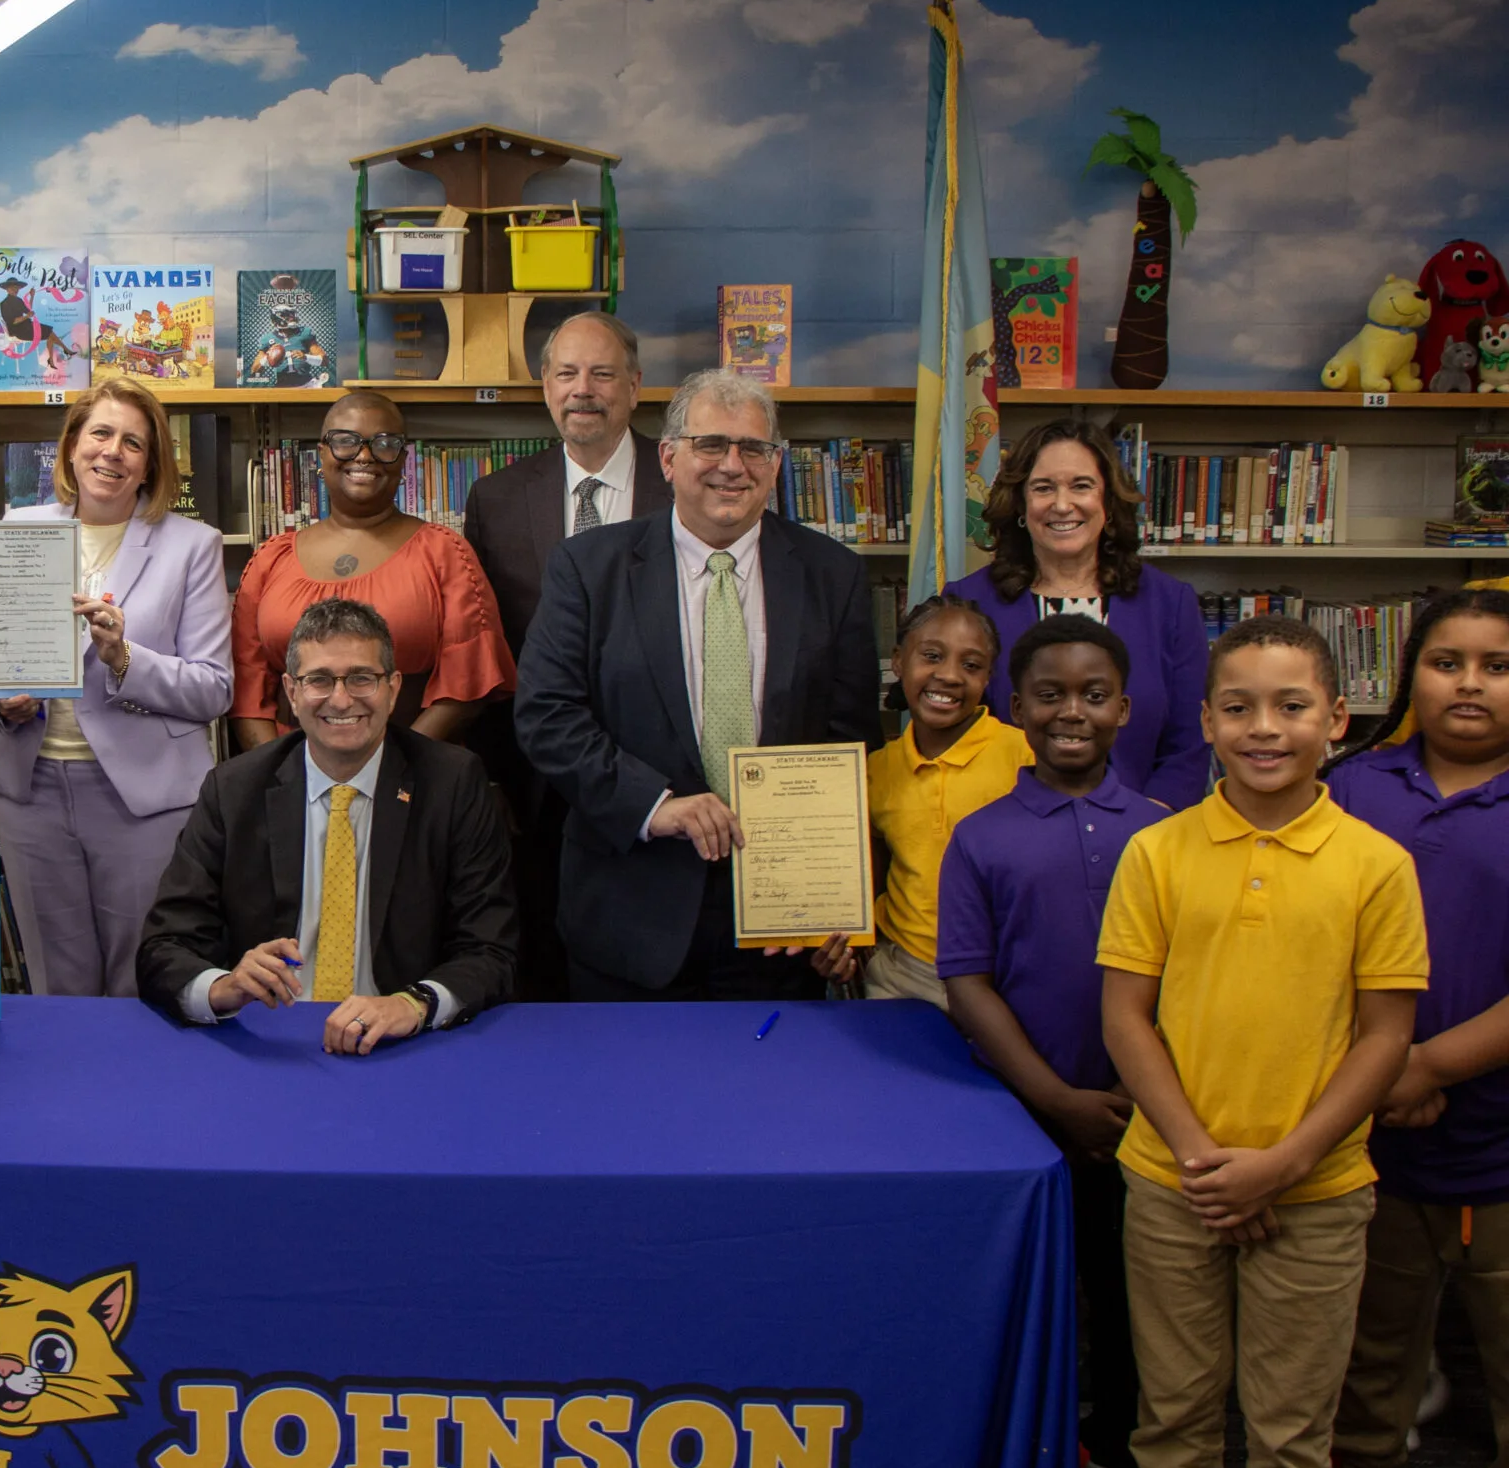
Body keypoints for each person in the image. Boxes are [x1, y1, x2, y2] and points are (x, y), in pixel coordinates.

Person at [1100, 616, 1428, 1468]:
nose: (1265, 728)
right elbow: (1126, 1018)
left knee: (1289, 1436)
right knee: (1173, 1424)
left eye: (1292, 706)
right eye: (1239, 707)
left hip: (1315, 1191)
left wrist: (1281, 1163)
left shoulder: (1378, 864)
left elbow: (1386, 1034)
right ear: (1207, 722)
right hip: (1176, 1184)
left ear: (1337, 720)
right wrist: (1207, 1161)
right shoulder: (1155, 851)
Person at [514, 369, 882, 1000]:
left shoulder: (834, 575)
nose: (731, 466)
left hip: (778, 926)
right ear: (668, 456)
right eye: (711, 445)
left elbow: (853, 741)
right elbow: (547, 716)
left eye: (753, 449)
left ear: (775, 464)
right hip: (628, 914)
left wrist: (840, 897)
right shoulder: (588, 567)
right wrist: (656, 807)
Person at [937, 616, 1168, 1468]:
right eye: (1051, 693)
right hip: (1023, 1113)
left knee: (1128, 1294)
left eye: (1094, 694)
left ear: (1125, 709)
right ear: (1016, 706)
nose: (1073, 710)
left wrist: (1137, 1094)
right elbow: (968, 982)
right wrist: (1056, 1098)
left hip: (1142, 1109)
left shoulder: (1162, 827)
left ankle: (1121, 1441)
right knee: (1029, 1292)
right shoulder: (982, 834)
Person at [138, 599, 517, 1052]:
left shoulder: (452, 783)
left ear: (393, 688)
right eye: (319, 679)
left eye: (361, 677)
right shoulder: (233, 789)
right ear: (291, 692)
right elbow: (164, 945)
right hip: (272, 1036)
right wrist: (224, 987)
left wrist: (414, 1005)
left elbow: (491, 949)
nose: (341, 699)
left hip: (402, 1038)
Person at [0, 379, 232, 996]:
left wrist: (124, 657)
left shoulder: (192, 546)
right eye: (101, 434)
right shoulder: (18, 526)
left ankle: (140, 1094)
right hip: (29, 791)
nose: (113, 452)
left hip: (140, 799)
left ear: (150, 464)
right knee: (57, 980)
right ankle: (68, 1096)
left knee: (140, 972)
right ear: (72, 447)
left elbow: (214, 688)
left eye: (133, 442)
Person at [1328, 589, 1509, 1468]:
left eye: (1497, 666)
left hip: (1500, 1146)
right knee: (1368, 1375)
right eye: (1447, 663)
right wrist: (1380, 1074)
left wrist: (1426, 1061)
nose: (1469, 684)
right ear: (1411, 676)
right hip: (1368, 1142)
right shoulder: (1355, 785)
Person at [461, 312, 667, 1001]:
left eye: (603, 373)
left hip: (661, 776)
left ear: (635, 387)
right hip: (537, 781)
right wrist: (490, 776)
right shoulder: (496, 498)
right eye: (568, 373)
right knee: (544, 964)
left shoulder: (685, 490)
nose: (584, 389)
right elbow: (486, 648)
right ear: (546, 386)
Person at [948, 419, 1212, 811]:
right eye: (1043, 488)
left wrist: (1143, 830)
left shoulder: (1169, 604)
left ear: (1107, 500)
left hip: (1143, 839)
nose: (1061, 504)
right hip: (1008, 836)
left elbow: (1190, 745)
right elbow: (953, 739)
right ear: (1020, 503)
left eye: (1081, 485)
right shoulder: (968, 604)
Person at [230, 390, 513, 751]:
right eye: (345, 441)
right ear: (321, 455)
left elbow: (466, 685)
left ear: (403, 460)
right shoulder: (271, 560)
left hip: (413, 773)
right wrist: (281, 776)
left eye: (384, 443)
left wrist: (393, 770)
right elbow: (248, 687)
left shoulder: (445, 553)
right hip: (290, 777)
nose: (364, 456)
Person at [849, 595, 1030, 1006]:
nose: (948, 676)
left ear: (987, 679)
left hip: (1004, 975)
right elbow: (865, 875)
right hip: (903, 973)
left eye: (971, 665)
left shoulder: (1025, 755)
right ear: (898, 662)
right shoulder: (877, 769)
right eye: (931, 655)